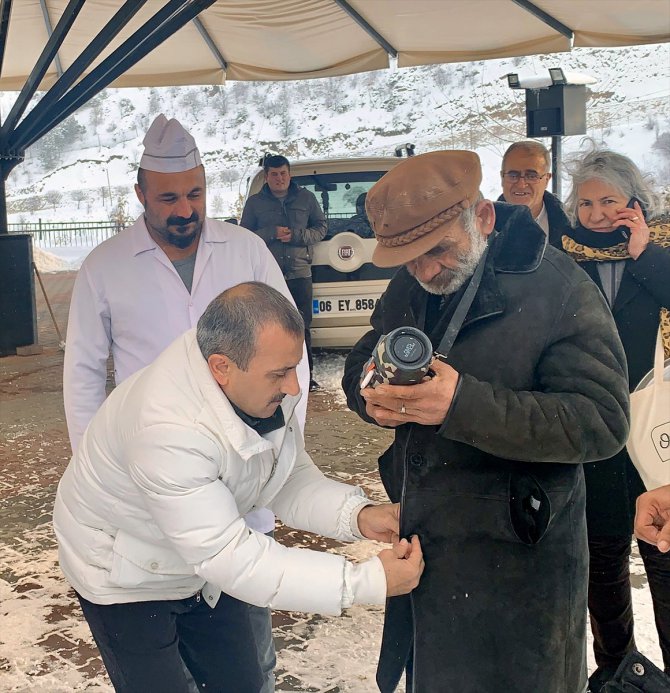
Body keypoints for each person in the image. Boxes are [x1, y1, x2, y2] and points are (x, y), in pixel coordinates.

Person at [341, 150, 630, 692]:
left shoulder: (559, 288)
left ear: (484, 219)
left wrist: (462, 405)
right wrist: (370, 396)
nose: (426, 271)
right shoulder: (418, 278)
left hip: (522, 565)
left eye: (439, 252)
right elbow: (363, 359)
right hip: (429, 549)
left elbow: (603, 421)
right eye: (410, 260)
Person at [54, 282, 424, 693]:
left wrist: (358, 515)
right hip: (123, 569)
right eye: (280, 374)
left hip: (204, 554)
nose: (294, 389)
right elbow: (231, 558)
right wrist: (366, 582)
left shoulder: (255, 382)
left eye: (294, 368)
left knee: (241, 683)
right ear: (221, 367)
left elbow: (284, 477)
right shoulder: (168, 430)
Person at [62, 114, 310, 691]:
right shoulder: (104, 266)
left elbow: (290, 357)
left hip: (241, 470)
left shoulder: (246, 250)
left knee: (248, 647)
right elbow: (82, 378)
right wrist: (104, 479)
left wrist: (280, 446)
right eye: (169, 196)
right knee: (161, 647)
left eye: (195, 194)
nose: (184, 209)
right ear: (141, 194)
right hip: (151, 479)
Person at [561, 147, 670, 692]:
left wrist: (643, 251)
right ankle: (617, 673)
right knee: (602, 564)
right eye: (586, 203)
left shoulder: (662, 246)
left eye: (609, 200)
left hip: (656, 432)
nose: (598, 213)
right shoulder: (565, 257)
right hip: (596, 430)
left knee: (665, 555)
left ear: (635, 200)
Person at [240, 154, 327, 392]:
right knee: (270, 329)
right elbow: (244, 236)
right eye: (274, 174)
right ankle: (274, 378)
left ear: (289, 174)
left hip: (300, 273)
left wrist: (297, 236)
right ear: (267, 177)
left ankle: (306, 378)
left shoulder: (306, 198)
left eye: (283, 174)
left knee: (302, 327)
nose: (279, 179)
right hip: (269, 274)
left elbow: (321, 227)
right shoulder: (255, 203)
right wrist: (271, 232)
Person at [499, 139, 571, 248]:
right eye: (513, 175)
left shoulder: (572, 227)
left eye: (531, 176)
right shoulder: (481, 227)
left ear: (547, 179)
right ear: (502, 177)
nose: (521, 184)